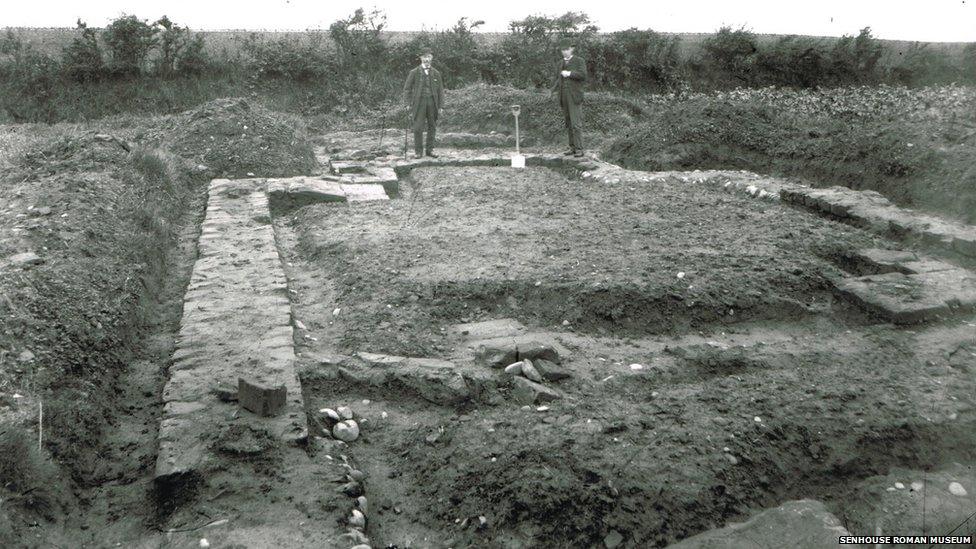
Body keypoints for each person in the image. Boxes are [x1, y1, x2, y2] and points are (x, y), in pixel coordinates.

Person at [403, 50, 444, 158]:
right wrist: (407, 103)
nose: (426, 59)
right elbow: (407, 89)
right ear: (421, 58)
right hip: (419, 103)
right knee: (417, 127)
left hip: (432, 103)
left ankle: (430, 150)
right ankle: (418, 152)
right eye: (424, 57)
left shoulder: (436, 73)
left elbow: (440, 91)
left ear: (432, 58)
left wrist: (440, 106)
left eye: (429, 57)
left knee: (432, 126)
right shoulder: (414, 72)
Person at [552, 40, 588, 157]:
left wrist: (570, 73)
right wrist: (552, 90)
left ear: (571, 49)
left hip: (574, 96)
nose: (565, 52)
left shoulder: (579, 61)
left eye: (567, 49)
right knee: (568, 122)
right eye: (563, 50)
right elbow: (558, 80)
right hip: (563, 97)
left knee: (576, 123)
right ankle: (572, 148)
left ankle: (579, 149)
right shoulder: (559, 63)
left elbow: (583, 75)